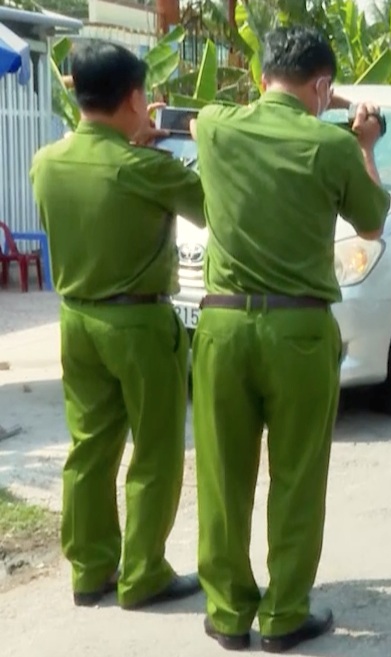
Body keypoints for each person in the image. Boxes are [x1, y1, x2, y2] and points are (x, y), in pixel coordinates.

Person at [190, 26, 390, 652]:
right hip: (300, 330)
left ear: (261, 76)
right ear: (322, 84)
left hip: (222, 326)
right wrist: (363, 142)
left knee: (223, 477)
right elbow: (373, 220)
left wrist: (314, 99)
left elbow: (224, 111)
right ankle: (282, 616)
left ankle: (226, 613)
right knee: (297, 477)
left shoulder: (216, 127)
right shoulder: (330, 147)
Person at [29, 43, 205, 609]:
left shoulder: (45, 161)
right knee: (154, 451)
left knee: (89, 449)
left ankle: (90, 570)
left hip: (76, 319)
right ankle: (143, 573)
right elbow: (210, 208)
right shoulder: (147, 168)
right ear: (135, 98)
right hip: (139, 322)